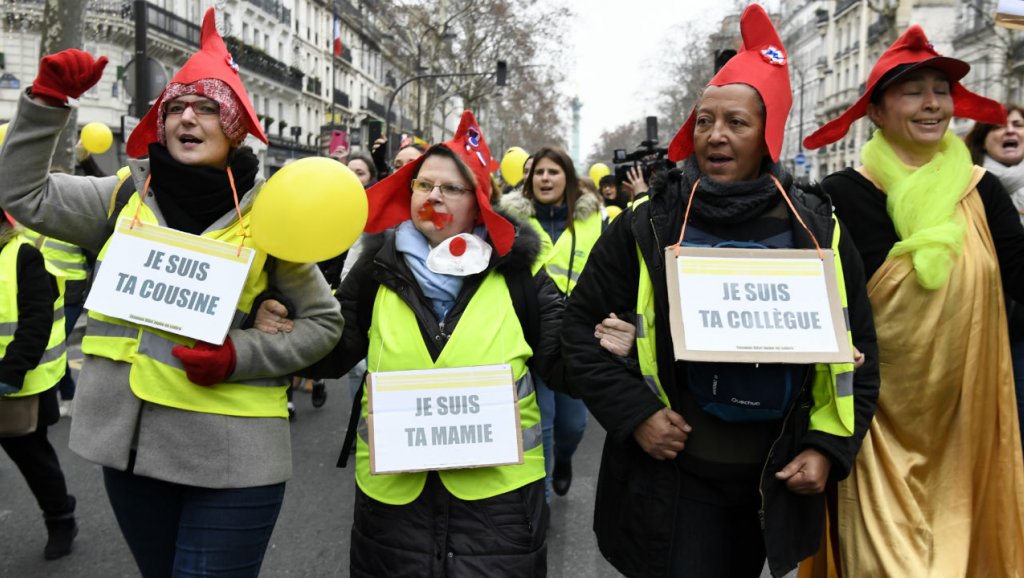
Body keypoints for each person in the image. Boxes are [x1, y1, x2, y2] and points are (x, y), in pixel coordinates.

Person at [0, 9, 343, 577]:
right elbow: (21, 194)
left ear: (234, 126)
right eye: (176, 106)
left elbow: (323, 324)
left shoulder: (269, 216)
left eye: (207, 107)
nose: (187, 116)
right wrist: (46, 102)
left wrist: (238, 354)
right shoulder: (121, 197)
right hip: (133, 456)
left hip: (236, 460)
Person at [560, 5, 879, 577]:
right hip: (675, 482)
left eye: (736, 122)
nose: (716, 135)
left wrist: (828, 448)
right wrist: (637, 414)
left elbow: (863, 358)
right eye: (704, 121)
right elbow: (577, 331)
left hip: (770, 485)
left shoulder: (817, 229)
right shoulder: (647, 223)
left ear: (767, 135)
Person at [256, 111, 563, 576]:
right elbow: (333, 350)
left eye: (451, 188)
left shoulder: (520, 273)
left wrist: (608, 338)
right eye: (423, 185)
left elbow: (565, 361)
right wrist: (286, 314)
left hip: (498, 508)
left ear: (480, 203)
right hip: (393, 509)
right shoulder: (376, 267)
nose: (433, 195)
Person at [801, 24, 1024, 577]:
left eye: (941, 91)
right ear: (876, 112)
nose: (932, 104)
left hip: (964, 427)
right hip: (873, 428)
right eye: (913, 91)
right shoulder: (838, 196)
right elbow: (812, 305)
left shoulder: (982, 191)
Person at [500, 146, 605, 499]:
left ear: (568, 178)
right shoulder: (509, 219)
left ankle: (565, 458)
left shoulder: (594, 219)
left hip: (577, 337)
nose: (545, 178)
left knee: (573, 424)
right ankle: (541, 497)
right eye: (539, 172)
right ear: (529, 179)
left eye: (553, 172)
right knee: (540, 421)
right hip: (529, 334)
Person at [0, 215, 78, 560]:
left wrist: (11, 372)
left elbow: (37, 319)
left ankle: (60, 518)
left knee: (34, 461)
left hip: (19, 385)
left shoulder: (24, 255)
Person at [965, 105, 1024, 452]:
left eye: (1019, 124)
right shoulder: (969, 187)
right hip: (982, 326)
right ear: (983, 138)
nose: (1011, 131)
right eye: (1000, 126)